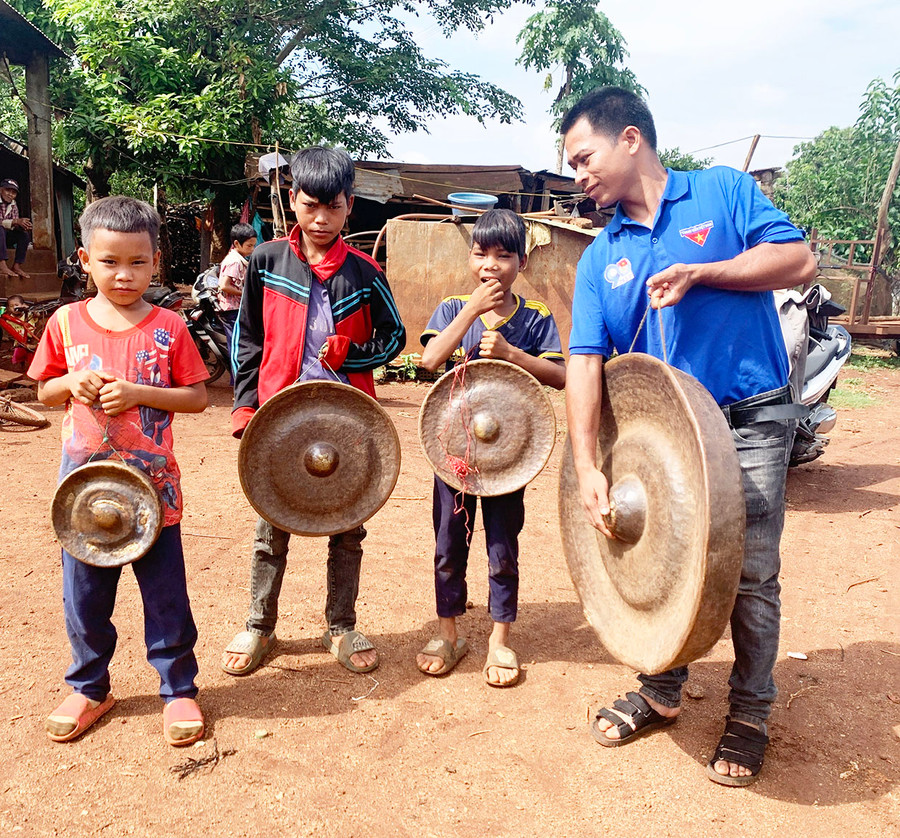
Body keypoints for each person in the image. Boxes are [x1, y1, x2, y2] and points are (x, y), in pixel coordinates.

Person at [561, 87, 816, 785]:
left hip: (751, 418)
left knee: (751, 573)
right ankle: (662, 689)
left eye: (584, 158)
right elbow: (585, 363)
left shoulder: (723, 193)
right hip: (665, 440)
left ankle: (751, 711)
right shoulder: (597, 259)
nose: (577, 174)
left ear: (631, 140)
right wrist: (586, 464)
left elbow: (799, 262)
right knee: (665, 557)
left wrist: (704, 272)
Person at [28, 196, 210, 746]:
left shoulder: (170, 327)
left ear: (156, 262)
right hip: (83, 496)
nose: (124, 274)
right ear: (85, 259)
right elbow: (44, 390)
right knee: (84, 596)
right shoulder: (64, 323)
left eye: (137, 262)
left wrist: (137, 393)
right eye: (109, 262)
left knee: (165, 596)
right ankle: (89, 687)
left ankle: (178, 690)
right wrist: (70, 385)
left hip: (154, 491)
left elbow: (198, 397)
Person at [221, 146, 406, 677]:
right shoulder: (266, 261)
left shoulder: (367, 271)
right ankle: (259, 627)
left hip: (348, 420)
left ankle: (341, 626)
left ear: (350, 205)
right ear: (292, 203)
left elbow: (394, 336)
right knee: (270, 526)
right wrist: (244, 406)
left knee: (349, 527)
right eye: (310, 207)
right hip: (281, 416)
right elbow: (247, 339)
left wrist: (357, 354)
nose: (321, 220)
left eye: (333, 208)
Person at [415, 209, 566, 687]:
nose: (491, 264)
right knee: (447, 545)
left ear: (522, 261)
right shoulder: (450, 308)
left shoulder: (536, 317)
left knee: (502, 547)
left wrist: (513, 355)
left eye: (504, 255)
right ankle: (449, 633)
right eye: (481, 253)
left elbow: (562, 377)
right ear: (470, 258)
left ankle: (500, 639)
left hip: (508, 457)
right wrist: (472, 311)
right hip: (452, 452)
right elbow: (429, 359)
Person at [217, 222, 257, 352]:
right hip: (232, 310)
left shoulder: (239, 258)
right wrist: (245, 293)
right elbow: (224, 286)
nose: (252, 249)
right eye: (249, 246)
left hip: (235, 308)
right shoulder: (234, 261)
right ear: (236, 244)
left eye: (253, 245)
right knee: (236, 346)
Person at [0, 179, 32, 280]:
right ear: (1, 190)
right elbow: (11, 221)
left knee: (24, 234)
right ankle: (2, 265)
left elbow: (13, 224)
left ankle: (16, 266)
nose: (11, 194)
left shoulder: (13, 204)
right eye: (8, 190)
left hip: (4, 236)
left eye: (14, 192)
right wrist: (15, 221)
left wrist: (22, 225)